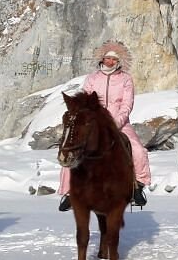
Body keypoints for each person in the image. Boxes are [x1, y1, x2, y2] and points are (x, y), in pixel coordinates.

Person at [58, 42, 151, 212]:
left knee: (138, 150)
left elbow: (127, 103)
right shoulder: (92, 79)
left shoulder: (125, 79)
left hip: (119, 123)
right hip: (93, 122)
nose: (110, 61)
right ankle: (69, 191)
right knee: (72, 147)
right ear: (102, 59)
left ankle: (137, 186)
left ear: (118, 61)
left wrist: (115, 122)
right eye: (108, 58)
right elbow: (84, 101)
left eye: (114, 59)